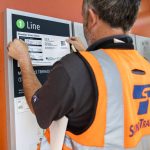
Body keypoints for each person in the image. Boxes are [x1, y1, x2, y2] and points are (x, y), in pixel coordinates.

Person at [8, 0, 150, 149]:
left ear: (91, 17)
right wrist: (87, 57)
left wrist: (24, 59)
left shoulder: (73, 67)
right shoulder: (145, 65)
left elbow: (38, 108)